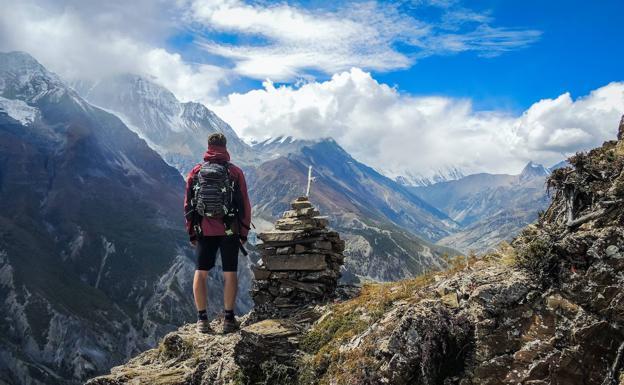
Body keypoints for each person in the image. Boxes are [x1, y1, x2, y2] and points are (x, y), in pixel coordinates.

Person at [184, 133, 251, 334]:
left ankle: (202, 320)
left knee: (201, 273)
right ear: (225, 147)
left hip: (204, 229)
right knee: (230, 273)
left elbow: (188, 205)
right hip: (229, 229)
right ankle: (229, 319)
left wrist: (192, 232)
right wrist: (244, 232)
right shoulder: (235, 172)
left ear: (208, 147)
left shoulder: (196, 172)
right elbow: (245, 204)